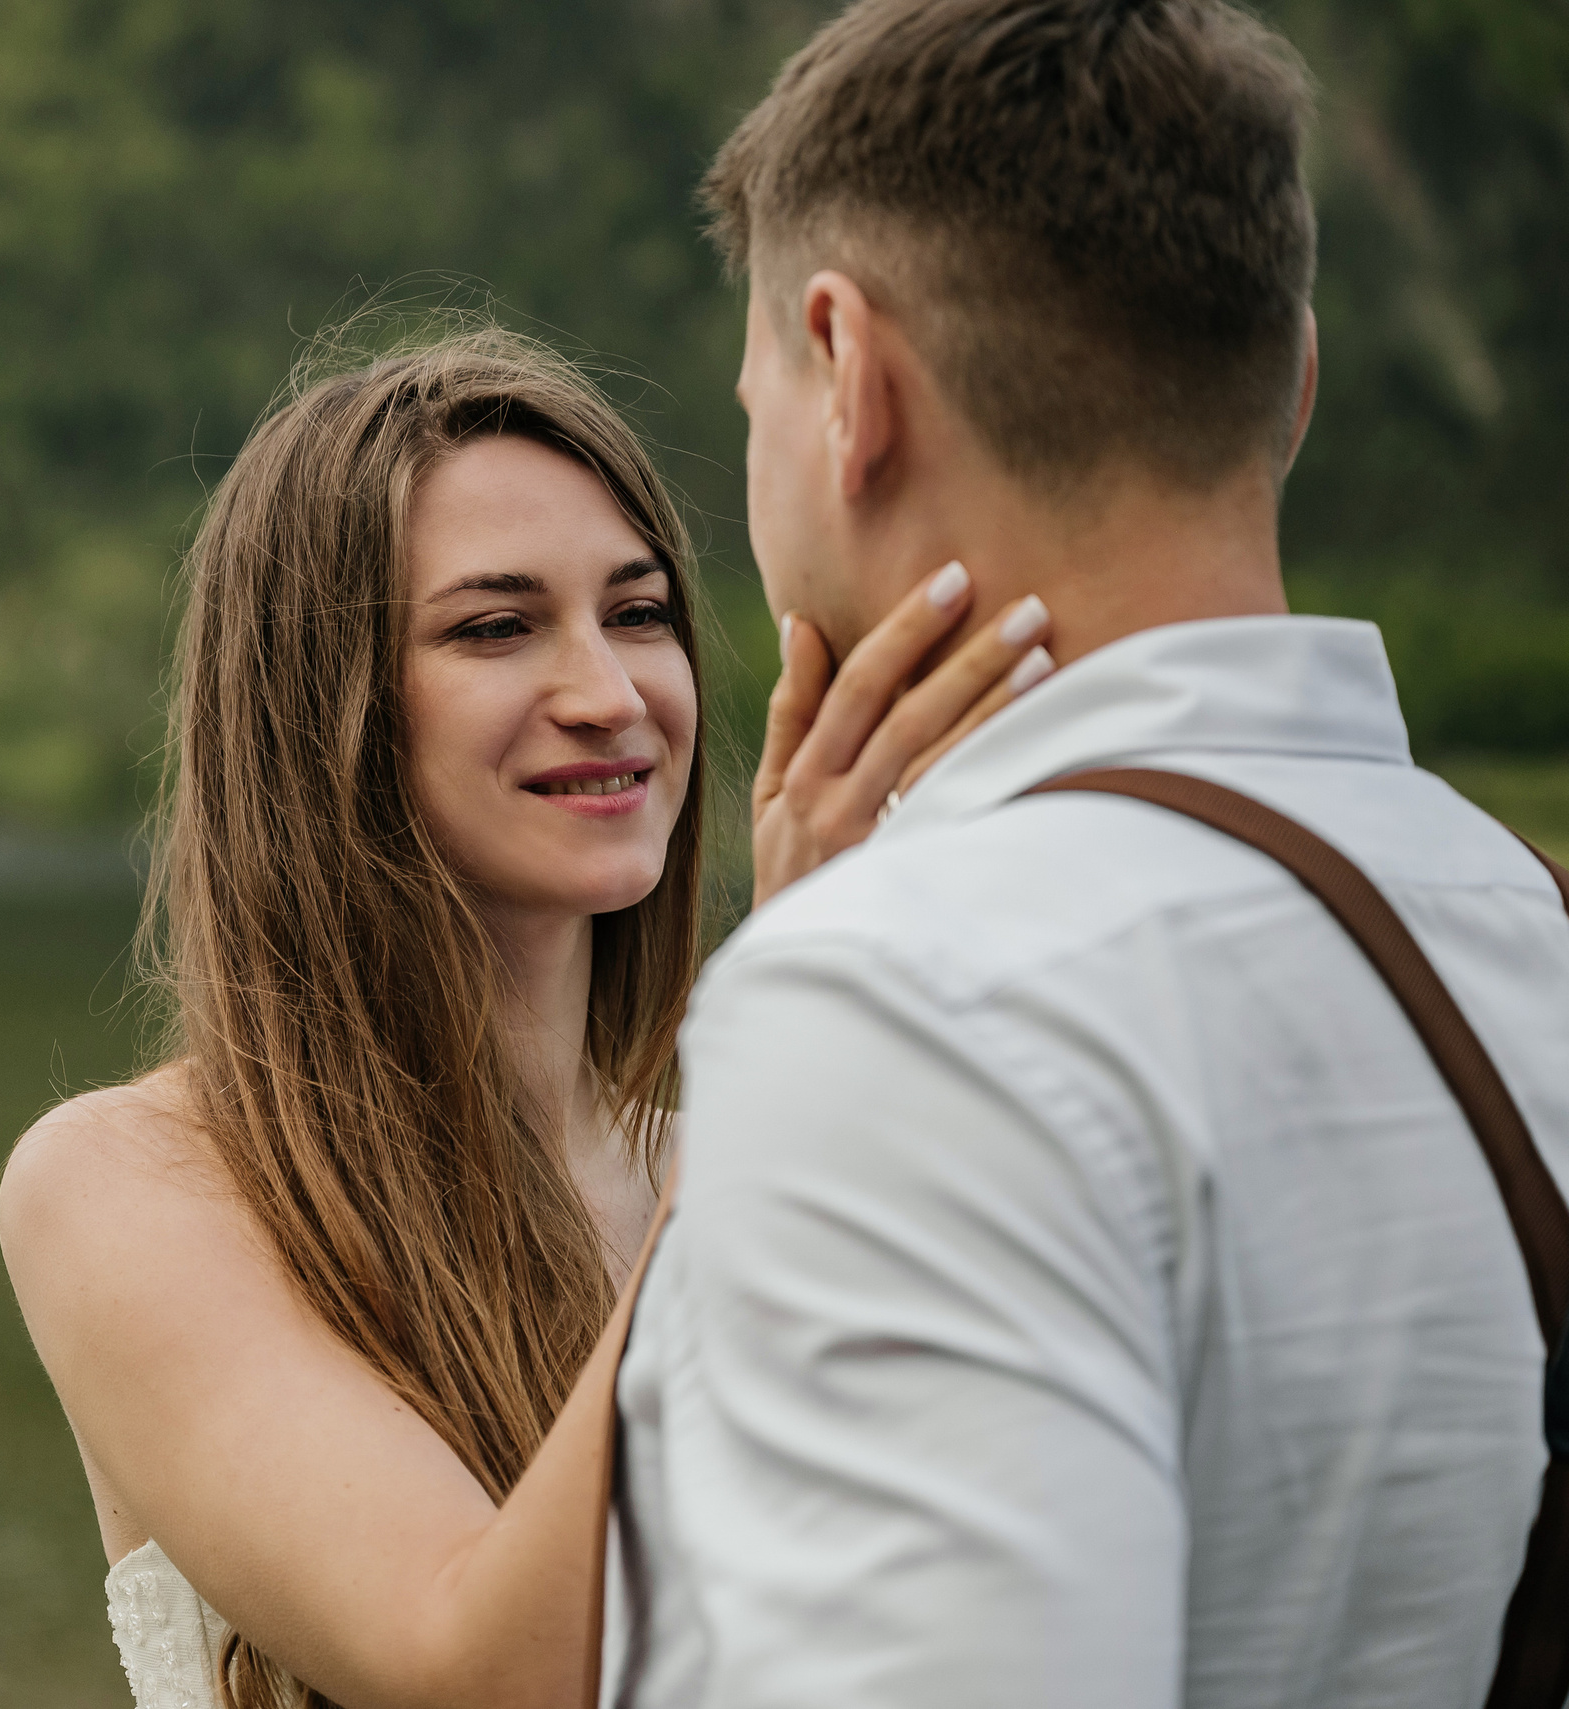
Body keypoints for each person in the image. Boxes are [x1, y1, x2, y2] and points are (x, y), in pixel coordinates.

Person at [604, 1, 1569, 1705]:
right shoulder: (1526, 923)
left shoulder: (910, 1000)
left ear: (846, 372)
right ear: (1300, 384)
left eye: (755, 388)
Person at [0, 326, 1056, 1709]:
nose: (610, 695)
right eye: (497, 626)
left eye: (638, 612)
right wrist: (790, 1029)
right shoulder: (132, 1183)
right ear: (330, 711)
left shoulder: (744, 1160)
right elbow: (482, 1667)